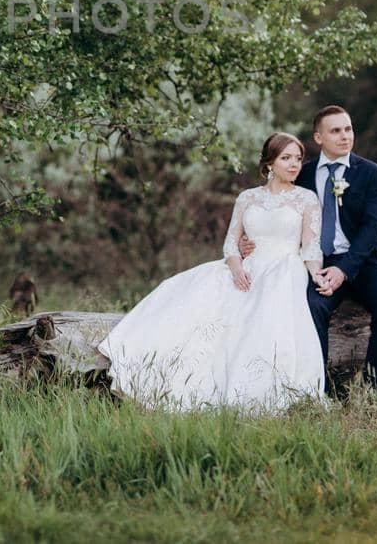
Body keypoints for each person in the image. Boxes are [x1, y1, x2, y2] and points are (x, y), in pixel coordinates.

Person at [95, 132, 327, 412]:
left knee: (264, 317)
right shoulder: (248, 198)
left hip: (284, 269)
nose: (294, 164)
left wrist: (316, 274)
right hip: (248, 266)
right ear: (269, 163)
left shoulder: (306, 199)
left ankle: (256, 393)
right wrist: (236, 265)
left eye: (298, 159)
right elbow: (231, 241)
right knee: (189, 297)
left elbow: (311, 248)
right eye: (286, 158)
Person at [242, 105, 377, 392]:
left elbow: (372, 228)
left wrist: (344, 270)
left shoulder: (372, 174)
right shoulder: (299, 174)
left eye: (348, 129)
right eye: (336, 131)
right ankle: (319, 388)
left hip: (367, 259)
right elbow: (275, 211)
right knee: (312, 308)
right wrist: (249, 240)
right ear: (318, 138)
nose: (345, 136)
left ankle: (374, 388)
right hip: (318, 262)